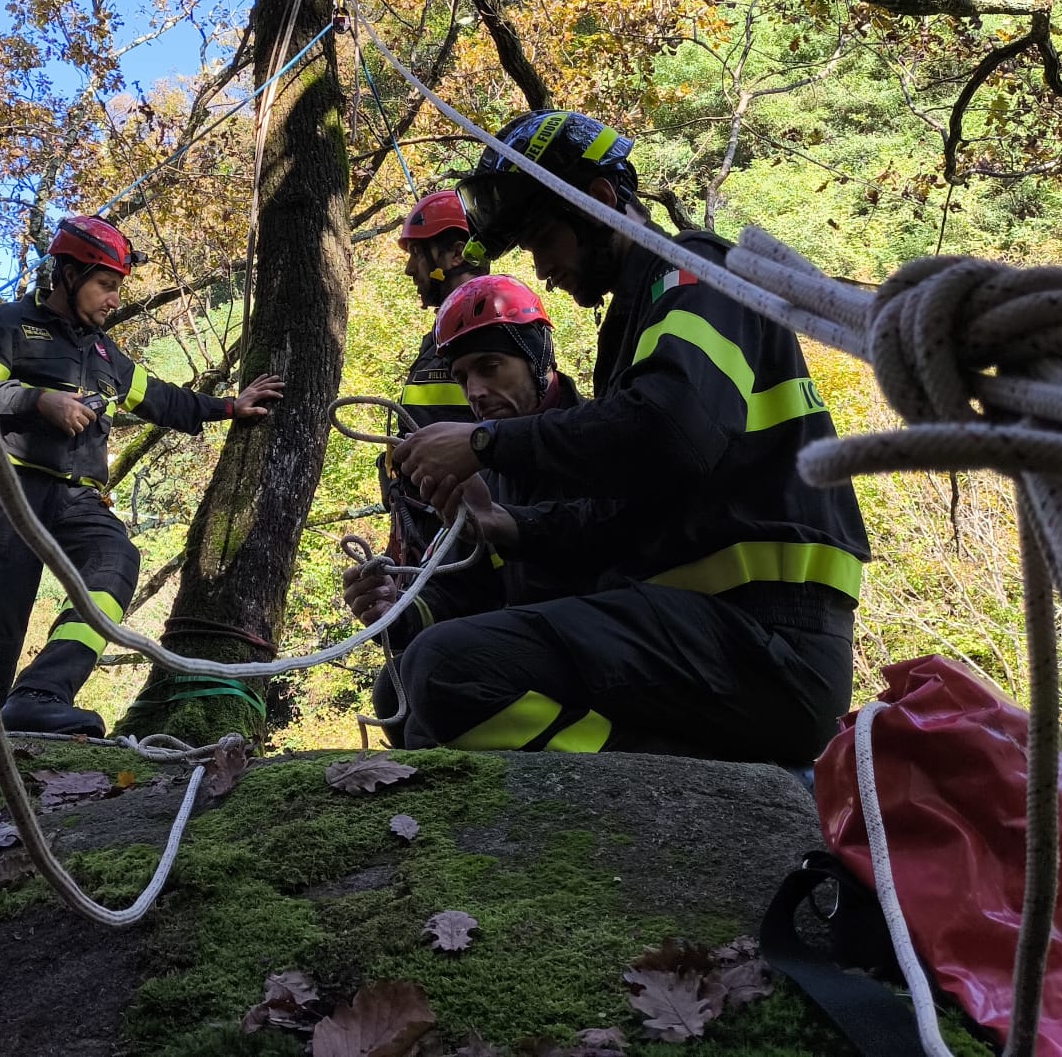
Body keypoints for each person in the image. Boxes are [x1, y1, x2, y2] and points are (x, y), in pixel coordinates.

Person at [387, 110, 869, 763]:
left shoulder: (696, 272)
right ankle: (662, 777)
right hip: (710, 638)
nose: (543, 267)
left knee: (447, 671)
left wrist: (485, 445)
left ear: (602, 200)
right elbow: (620, 518)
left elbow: (675, 430)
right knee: (420, 699)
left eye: (544, 237)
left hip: (768, 642)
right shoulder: (640, 328)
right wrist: (509, 528)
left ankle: (664, 787)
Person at [0, 215, 283, 738]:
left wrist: (232, 406)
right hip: (4, 491)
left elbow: (164, 398)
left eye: (117, 287)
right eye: (106, 285)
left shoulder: (104, 355)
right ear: (68, 276)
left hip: (78, 498)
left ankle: (40, 694)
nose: (114, 299)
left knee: (115, 560)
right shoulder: (5, 326)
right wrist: (38, 400)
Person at [342, 274, 588, 740]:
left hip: (599, 642)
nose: (473, 392)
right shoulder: (488, 477)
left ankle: (606, 765)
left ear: (539, 359)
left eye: (490, 366)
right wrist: (397, 609)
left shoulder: (593, 442)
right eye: (461, 377)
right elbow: (460, 587)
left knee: (437, 671)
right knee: (395, 695)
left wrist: (507, 527)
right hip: (540, 641)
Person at [380, 190, 484, 561]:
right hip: (431, 533)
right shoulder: (442, 337)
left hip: (469, 540)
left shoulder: (495, 333)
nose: (410, 269)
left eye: (418, 254)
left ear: (457, 254)